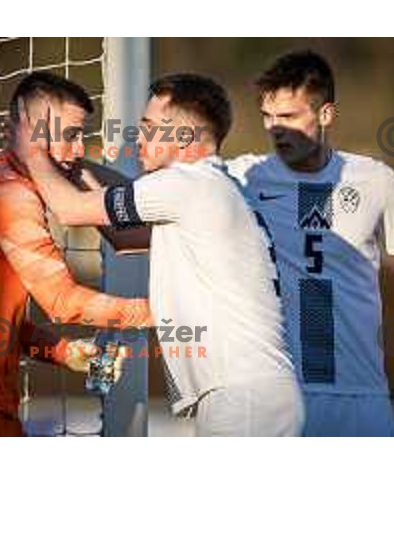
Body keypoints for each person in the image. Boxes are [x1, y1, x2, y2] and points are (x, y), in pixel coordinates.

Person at [21, 73, 304, 436]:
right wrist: (69, 164)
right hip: (250, 395)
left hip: (245, 398)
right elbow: (125, 236)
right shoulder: (208, 187)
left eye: (149, 127)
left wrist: (29, 146)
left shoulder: (186, 185)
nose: (138, 137)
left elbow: (71, 210)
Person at [226, 50, 394, 436]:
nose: (275, 128)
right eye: (268, 116)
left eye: (289, 116)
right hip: (278, 394)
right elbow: (155, 197)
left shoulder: (376, 180)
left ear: (326, 114)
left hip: (361, 393)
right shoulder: (242, 177)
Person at [0, 72, 151, 437]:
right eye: (71, 135)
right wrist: (164, 311)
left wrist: (64, 352)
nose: (80, 150)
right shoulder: (7, 194)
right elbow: (64, 302)